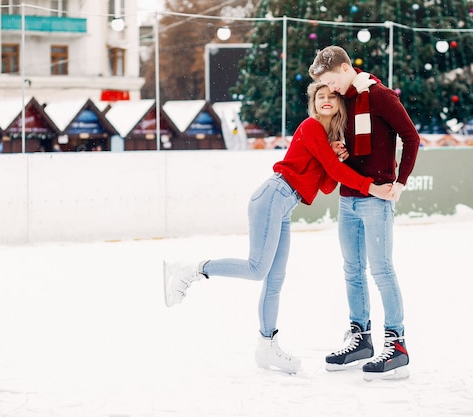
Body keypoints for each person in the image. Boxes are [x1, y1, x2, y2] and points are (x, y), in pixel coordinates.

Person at [163, 82, 393, 375]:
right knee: (257, 268)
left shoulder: (328, 138)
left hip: (286, 204)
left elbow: (325, 185)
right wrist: (370, 186)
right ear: (313, 103)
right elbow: (335, 174)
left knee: (275, 279)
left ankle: (266, 345)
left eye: (330, 96)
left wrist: (335, 156)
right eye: (319, 96)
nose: (325, 100)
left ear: (338, 104)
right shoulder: (311, 127)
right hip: (273, 195)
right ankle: (192, 269)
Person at [309, 46, 420, 380]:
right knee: (352, 270)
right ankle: (360, 338)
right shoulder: (347, 98)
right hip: (349, 199)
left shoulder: (379, 96)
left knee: (382, 270)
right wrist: (339, 148)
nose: (332, 90)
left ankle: (397, 344)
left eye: (332, 81)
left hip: (377, 199)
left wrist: (400, 182)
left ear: (345, 68)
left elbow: (411, 138)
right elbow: (351, 140)